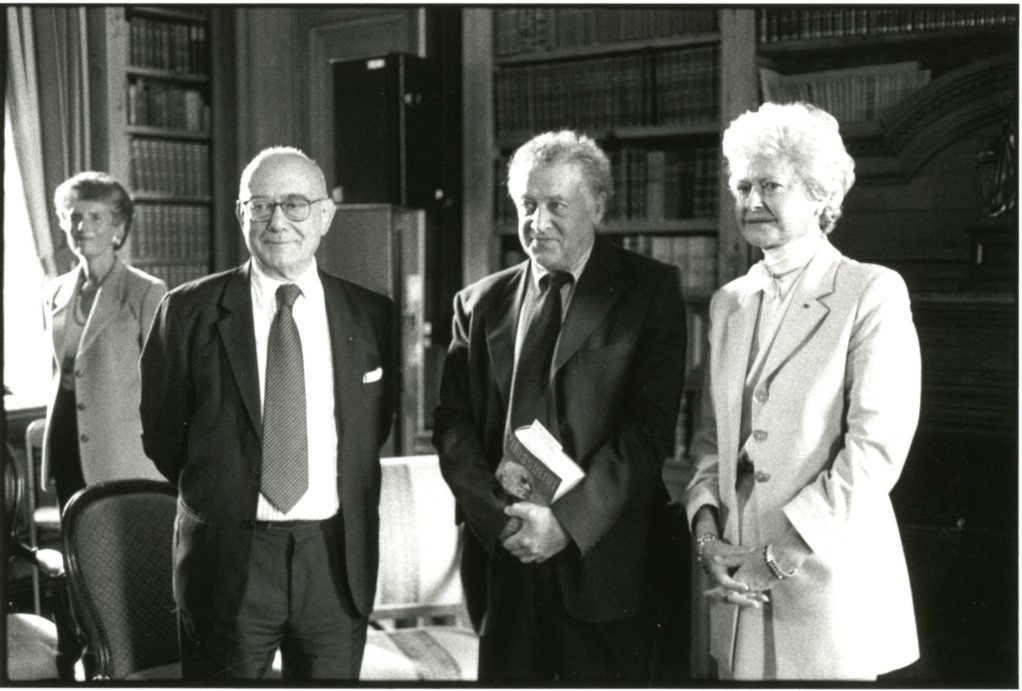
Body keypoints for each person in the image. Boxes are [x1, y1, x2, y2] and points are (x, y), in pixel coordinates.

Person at [433, 130, 688, 683]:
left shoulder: (648, 292)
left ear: (596, 205)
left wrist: (564, 524)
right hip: (503, 560)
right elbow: (452, 426)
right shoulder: (477, 304)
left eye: (556, 205)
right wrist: (498, 519)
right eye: (527, 205)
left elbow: (646, 434)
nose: (538, 222)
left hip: (601, 563)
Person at [140, 147, 396, 681]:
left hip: (333, 562)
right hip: (229, 559)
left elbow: (372, 430)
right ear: (241, 215)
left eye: (296, 204)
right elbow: (165, 438)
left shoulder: (372, 314)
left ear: (325, 215)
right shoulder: (188, 312)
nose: (277, 221)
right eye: (260, 206)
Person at [684, 102, 921, 680]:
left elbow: (875, 451)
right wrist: (707, 536)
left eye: (771, 185)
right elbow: (712, 439)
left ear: (819, 194)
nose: (750, 201)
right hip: (735, 576)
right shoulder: (729, 302)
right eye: (742, 185)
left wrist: (778, 557)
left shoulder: (870, 291)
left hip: (825, 576)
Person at [43, 172, 167, 513]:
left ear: (118, 227)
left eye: (96, 216)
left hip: (122, 454)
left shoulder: (146, 291)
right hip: (67, 442)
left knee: (120, 559)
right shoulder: (54, 291)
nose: (83, 226)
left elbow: (166, 383)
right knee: (75, 554)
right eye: (74, 216)